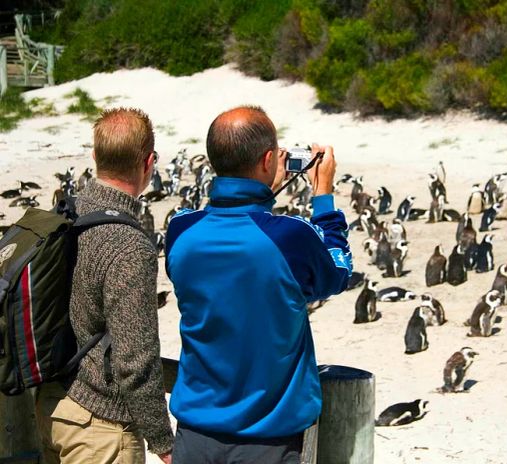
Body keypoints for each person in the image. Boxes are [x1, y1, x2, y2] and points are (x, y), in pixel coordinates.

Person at [166, 106, 352, 463]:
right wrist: (323, 195)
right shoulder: (290, 237)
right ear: (269, 159)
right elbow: (338, 271)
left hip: (192, 438)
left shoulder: (180, 230)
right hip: (268, 441)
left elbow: (229, 231)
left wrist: (261, 190)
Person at [35, 108, 173, 463]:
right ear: (149, 162)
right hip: (99, 427)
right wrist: (163, 442)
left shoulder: (64, 215)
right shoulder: (129, 245)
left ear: (94, 156)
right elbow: (135, 358)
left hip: (52, 408)